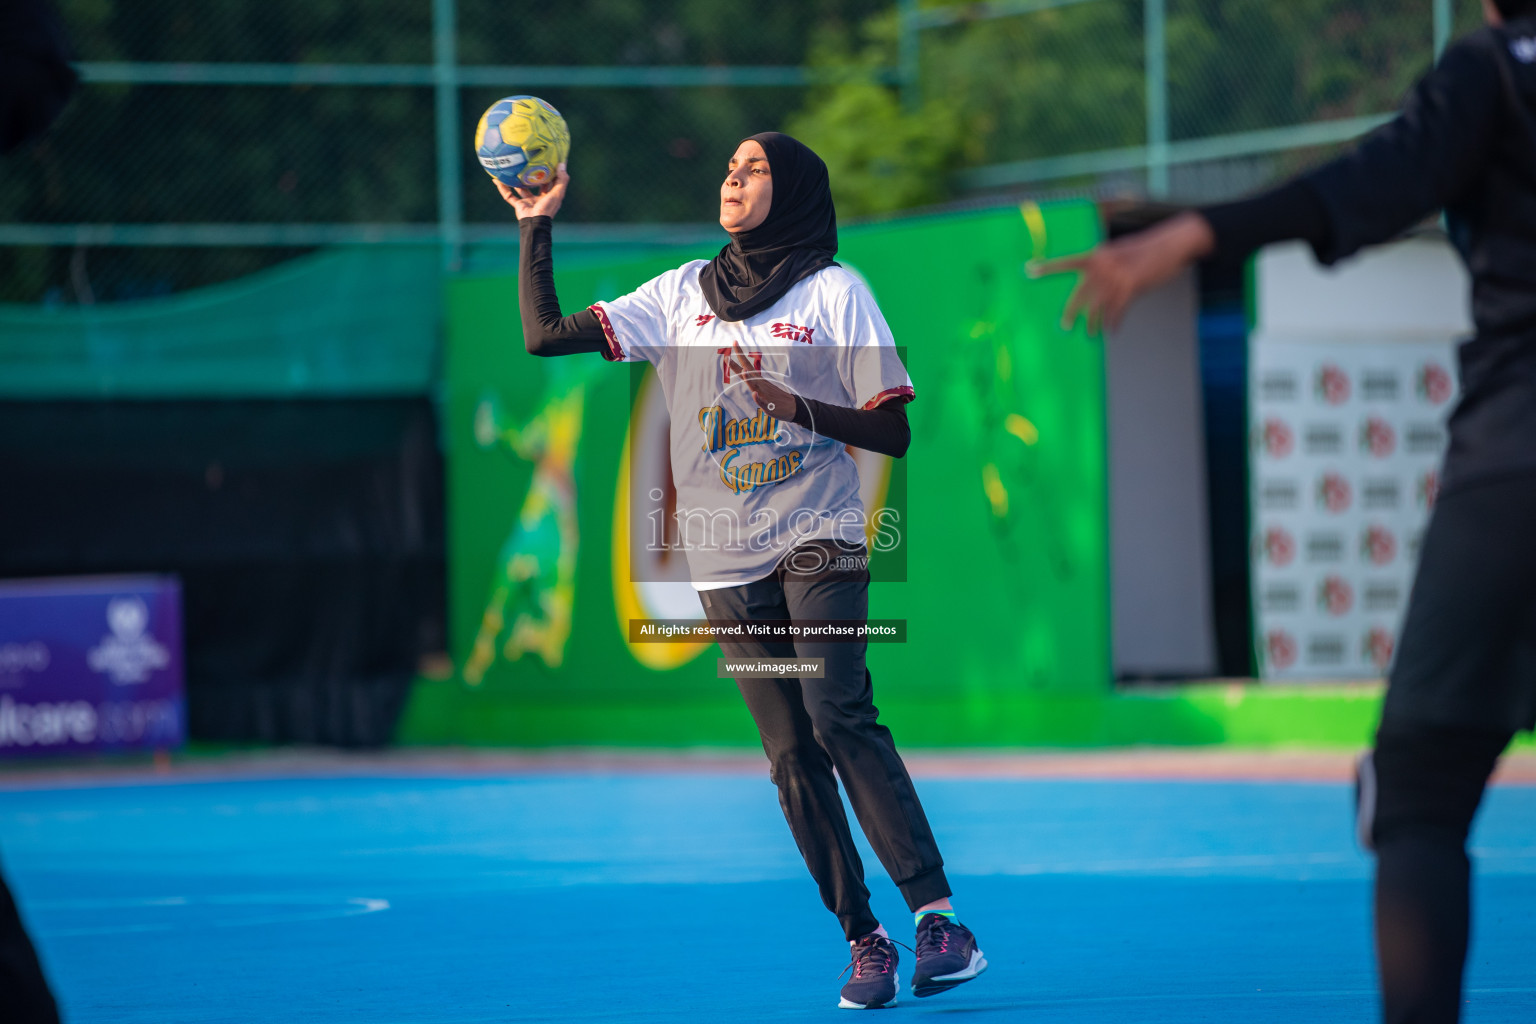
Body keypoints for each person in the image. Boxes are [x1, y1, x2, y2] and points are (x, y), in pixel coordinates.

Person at [1035, 2, 1536, 1021]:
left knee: (1421, 790)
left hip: (1518, 462)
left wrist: (1194, 232)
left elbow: (1373, 180)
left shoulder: (1495, 70)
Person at [498, 131, 987, 1009]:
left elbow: (894, 431)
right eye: (728, 166)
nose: (733, 177)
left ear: (792, 188)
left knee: (838, 713)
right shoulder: (681, 294)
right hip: (725, 557)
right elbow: (543, 337)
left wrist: (795, 405)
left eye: (753, 168)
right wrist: (536, 224)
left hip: (819, 535)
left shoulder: (835, 291)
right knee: (789, 752)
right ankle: (863, 938)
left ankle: (938, 921)